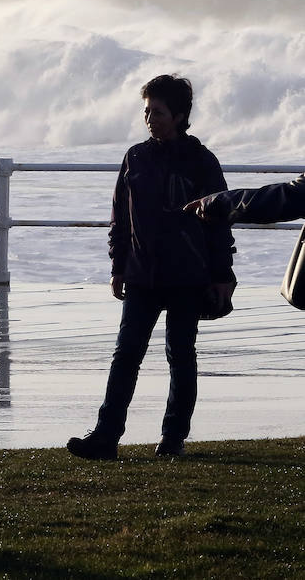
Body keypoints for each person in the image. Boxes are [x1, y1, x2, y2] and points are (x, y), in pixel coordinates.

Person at [67, 74, 235, 461]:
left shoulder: (202, 161)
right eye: (146, 111)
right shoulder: (135, 157)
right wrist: (118, 266)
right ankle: (105, 437)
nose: (150, 118)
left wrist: (223, 275)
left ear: (179, 115)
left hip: (188, 276)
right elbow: (119, 219)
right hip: (142, 275)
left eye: (157, 111)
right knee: (126, 355)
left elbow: (219, 220)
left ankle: (173, 438)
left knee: (180, 355)